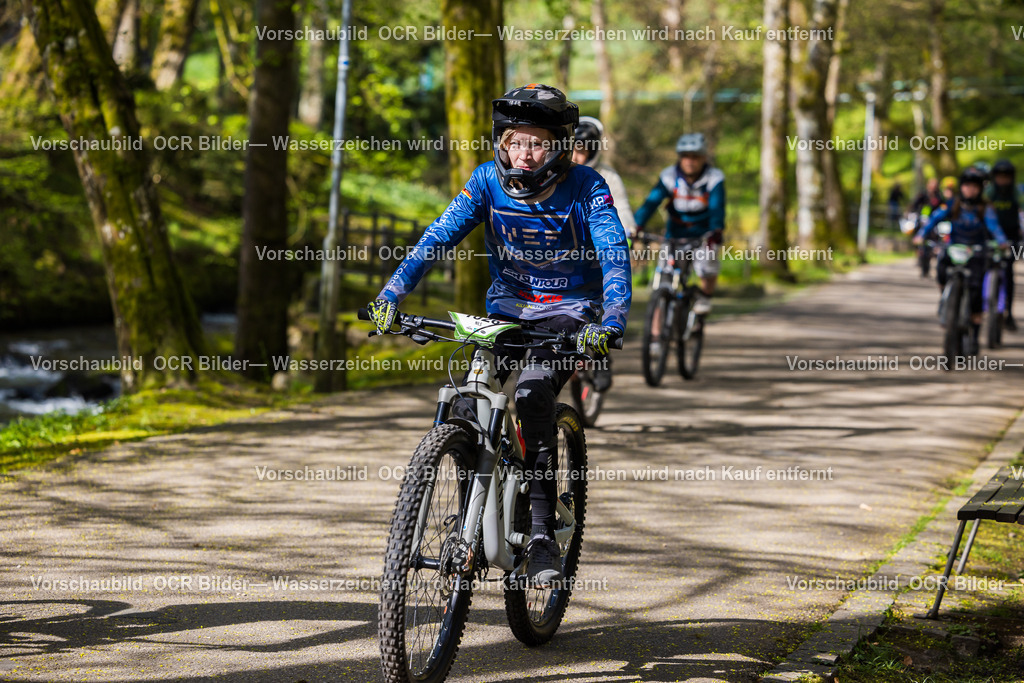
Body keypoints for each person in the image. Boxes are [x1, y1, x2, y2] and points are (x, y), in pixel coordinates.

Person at [365, 84, 631, 586]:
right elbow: (438, 234)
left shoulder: (587, 186)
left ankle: (539, 532)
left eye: (536, 144)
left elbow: (614, 250)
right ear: (500, 144)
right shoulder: (486, 181)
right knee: (467, 405)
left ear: (557, 146)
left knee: (531, 395)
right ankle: (469, 521)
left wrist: (611, 320)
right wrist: (392, 293)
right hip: (506, 311)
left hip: (569, 314)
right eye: (514, 142)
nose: (523, 155)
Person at [915, 167, 1009, 353]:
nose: (970, 190)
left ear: (980, 189)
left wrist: (1001, 242)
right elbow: (934, 219)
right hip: (954, 249)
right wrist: (921, 235)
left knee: (975, 293)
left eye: (974, 186)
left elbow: (994, 227)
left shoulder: (985, 208)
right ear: (961, 187)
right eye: (966, 186)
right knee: (941, 270)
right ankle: (947, 298)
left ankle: (974, 335)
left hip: (976, 251)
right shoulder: (953, 204)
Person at [571, 116, 633, 392]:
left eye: (584, 149)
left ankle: (603, 355)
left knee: (598, 301)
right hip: (564, 252)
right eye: (575, 147)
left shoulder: (608, 175)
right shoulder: (558, 171)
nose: (578, 154)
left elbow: (621, 206)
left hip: (598, 249)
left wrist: (628, 230)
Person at [633, 132, 725, 315]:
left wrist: (716, 229)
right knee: (662, 285)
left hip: (704, 235)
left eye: (695, 157)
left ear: (703, 158)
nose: (690, 161)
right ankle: (656, 339)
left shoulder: (714, 178)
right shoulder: (669, 176)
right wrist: (637, 225)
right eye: (685, 156)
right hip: (674, 235)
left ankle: (705, 298)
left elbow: (717, 207)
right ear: (680, 158)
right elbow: (651, 202)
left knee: (708, 265)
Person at [986, 159, 1023, 331]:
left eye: (1006, 177)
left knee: (1009, 272)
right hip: (989, 237)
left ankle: (1008, 313)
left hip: (1012, 238)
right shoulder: (988, 193)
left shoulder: (1017, 193)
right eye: (999, 177)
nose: (1003, 180)